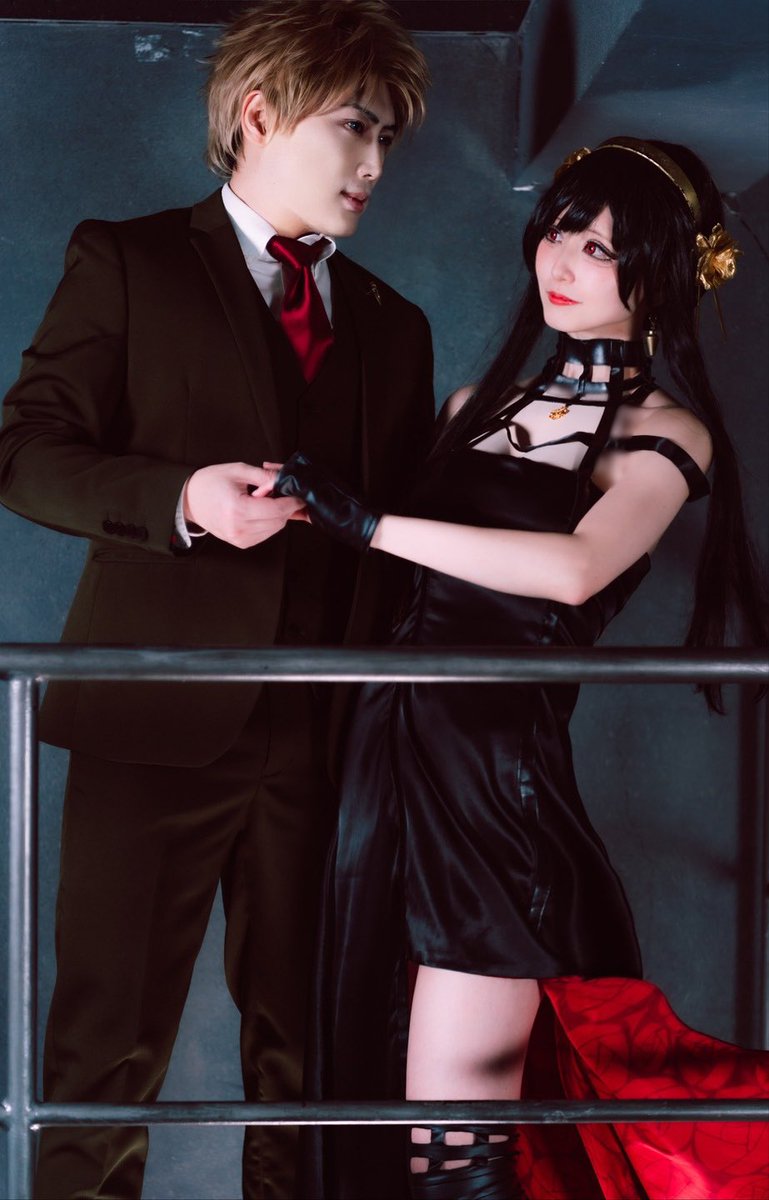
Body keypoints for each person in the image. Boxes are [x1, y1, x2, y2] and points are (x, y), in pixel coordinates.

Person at [254, 137, 769, 1198]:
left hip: (492, 786)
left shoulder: (665, 434)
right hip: (384, 758)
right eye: (560, 230)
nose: (562, 261)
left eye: (602, 248)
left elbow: (574, 571)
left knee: (453, 1143)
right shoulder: (471, 409)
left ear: (659, 277)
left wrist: (369, 522)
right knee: (366, 1088)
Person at [0, 2, 433, 1197]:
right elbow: (24, 453)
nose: (375, 162)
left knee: (313, 1064)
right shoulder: (129, 263)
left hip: (328, 738)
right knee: (105, 1053)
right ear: (259, 113)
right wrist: (180, 498)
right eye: (355, 126)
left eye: (387, 137)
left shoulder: (396, 326)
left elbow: (395, 541)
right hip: (152, 719)